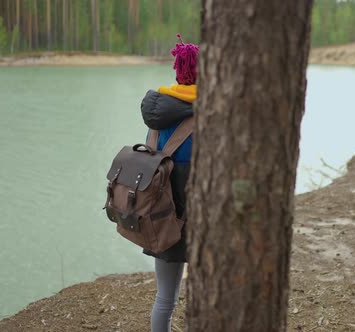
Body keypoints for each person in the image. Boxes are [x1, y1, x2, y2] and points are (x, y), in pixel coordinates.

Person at [140, 33, 198, 332]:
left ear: (178, 72)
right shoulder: (210, 115)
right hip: (202, 222)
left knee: (165, 298)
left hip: (163, 219)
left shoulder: (157, 117)